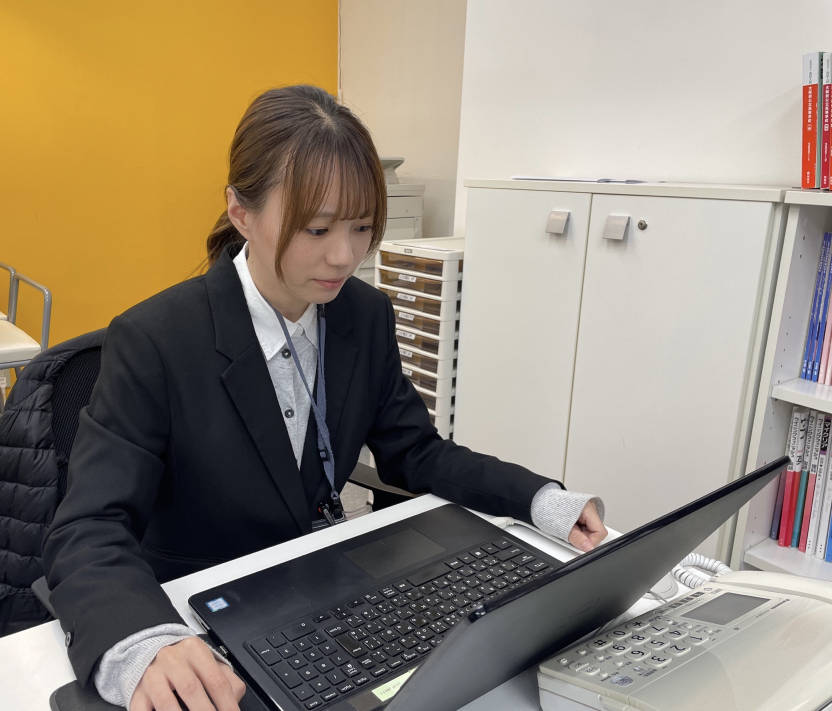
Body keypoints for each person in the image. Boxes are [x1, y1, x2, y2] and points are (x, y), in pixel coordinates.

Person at [42, 85, 606, 711]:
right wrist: (144, 641)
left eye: (362, 228)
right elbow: (89, 526)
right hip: (206, 620)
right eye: (316, 228)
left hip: (325, 607)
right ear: (240, 212)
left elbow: (416, 452)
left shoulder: (363, 315)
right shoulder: (156, 339)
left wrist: (539, 499)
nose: (344, 256)